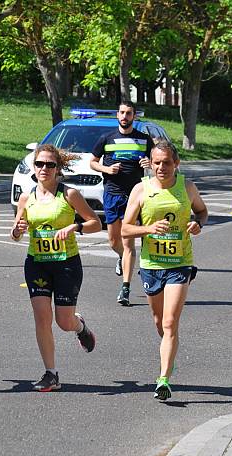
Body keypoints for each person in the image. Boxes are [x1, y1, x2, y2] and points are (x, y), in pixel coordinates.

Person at [121, 140, 208, 401]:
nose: (161, 167)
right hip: (151, 266)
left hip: (180, 263)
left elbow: (202, 212)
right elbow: (125, 229)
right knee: (159, 322)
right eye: (157, 162)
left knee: (170, 322)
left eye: (167, 162)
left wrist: (197, 223)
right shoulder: (141, 189)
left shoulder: (187, 187)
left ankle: (163, 379)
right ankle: (168, 346)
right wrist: (148, 229)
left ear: (176, 163)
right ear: (151, 163)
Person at [11, 144, 102, 392]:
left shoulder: (69, 195)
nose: (44, 169)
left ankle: (80, 326)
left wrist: (76, 227)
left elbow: (95, 223)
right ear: (34, 166)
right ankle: (51, 373)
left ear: (58, 168)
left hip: (66, 264)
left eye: (50, 165)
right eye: (40, 164)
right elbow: (18, 231)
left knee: (63, 322)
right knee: (42, 318)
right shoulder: (26, 197)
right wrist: (17, 231)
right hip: (37, 264)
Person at [89, 100, 154, 306]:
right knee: (113, 241)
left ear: (134, 116)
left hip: (135, 195)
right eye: (122, 113)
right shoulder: (106, 138)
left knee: (128, 243)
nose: (125, 117)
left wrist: (149, 164)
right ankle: (121, 258)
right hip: (112, 193)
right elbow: (92, 161)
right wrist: (107, 170)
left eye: (129, 113)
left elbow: (156, 162)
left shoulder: (144, 139)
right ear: (117, 115)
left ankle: (125, 288)